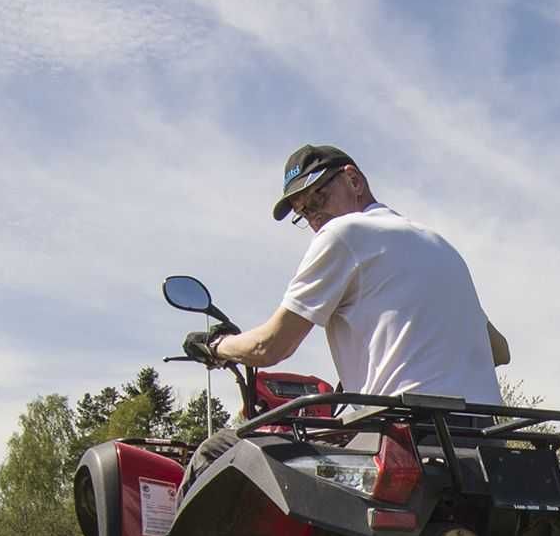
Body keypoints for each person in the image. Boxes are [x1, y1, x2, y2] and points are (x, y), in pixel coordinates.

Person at [184, 143, 510, 401]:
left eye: (318, 198)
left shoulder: (345, 233)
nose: (315, 217)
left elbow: (269, 347)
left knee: (217, 451)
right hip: (481, 442)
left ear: (353, 180)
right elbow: (499, 350)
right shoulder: (439, 245)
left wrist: (217, 346)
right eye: (304, 212)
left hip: (407, 433)